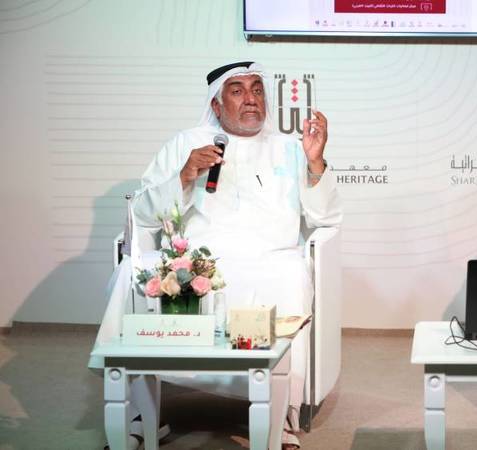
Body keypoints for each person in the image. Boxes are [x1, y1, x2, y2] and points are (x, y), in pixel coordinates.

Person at [95, 61, 342, 449]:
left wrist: (314, 163)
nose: (251, 99)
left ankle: (282, 417)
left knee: (292, 275)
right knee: (133, 274)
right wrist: (184, 175)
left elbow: (325, 217)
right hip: (196, 261)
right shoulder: (185, 143)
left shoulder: (290, 148)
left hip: (269, 259)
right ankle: (140, 413)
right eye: (238, 91)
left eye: (257, 90)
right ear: (216, 104)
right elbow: (142, 213)